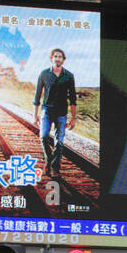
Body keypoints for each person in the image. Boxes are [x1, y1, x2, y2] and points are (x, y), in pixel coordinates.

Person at [34, 48, 78, 178]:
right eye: (55, 56)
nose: (58, 59)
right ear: (51, 58)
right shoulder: (44, 74)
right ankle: (49, 160)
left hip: (61, 113)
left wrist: (74, 118)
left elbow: (73, 99)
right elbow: (37, 96)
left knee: (59, 141)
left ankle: (55, 168)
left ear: (63, 60)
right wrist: (35, 115)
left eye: (60, 57)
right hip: (47, 110)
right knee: (43, 136)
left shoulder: (69, 76)